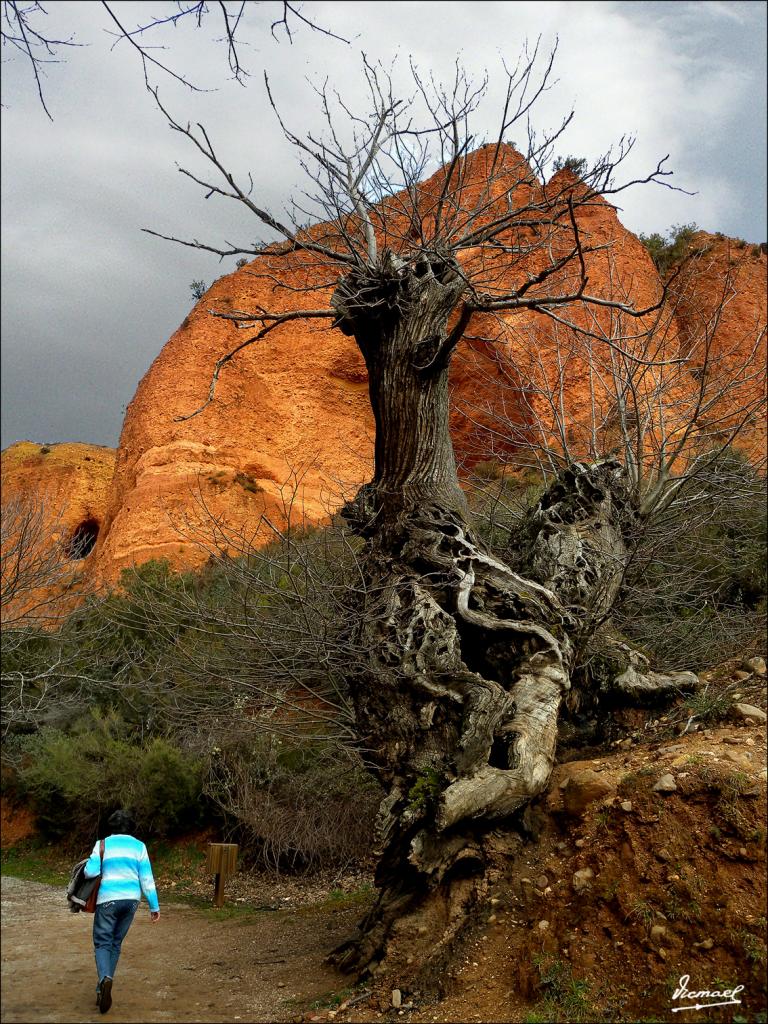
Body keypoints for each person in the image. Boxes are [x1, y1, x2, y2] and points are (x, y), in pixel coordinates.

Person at [84, 809, 160, 1014]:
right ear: (130, 827)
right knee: (115, 943)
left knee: (102, 942)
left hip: (108, 900)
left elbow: (91, 871)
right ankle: (105, 982)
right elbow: (147, 879)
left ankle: (104, 980)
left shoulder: (102, 845)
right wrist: (154, 906)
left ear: (112, 827)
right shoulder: (139, 847)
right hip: (131, 902)